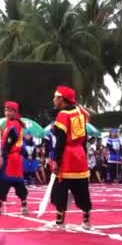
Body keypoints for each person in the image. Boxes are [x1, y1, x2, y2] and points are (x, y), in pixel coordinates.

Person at [49, 86, 92, 229]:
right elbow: (84, 137)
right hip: (80, 154)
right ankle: (86, 220)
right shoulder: (80, 113)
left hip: (67, 156)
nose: (54, 100)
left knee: (60, 189)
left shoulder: (63, 115)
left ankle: (60, 222)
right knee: (81, 188)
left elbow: (61, 140)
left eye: (55, 97)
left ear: (61, 99)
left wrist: (56, 160)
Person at [0, 101, 29, 216]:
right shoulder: (11, 124)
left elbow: (10, 142)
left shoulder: (13, 124)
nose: (7, 113)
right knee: (17, 182)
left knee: (2, 181)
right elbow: (9, 139)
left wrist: (2, 156)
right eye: (6, 110)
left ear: (15, 112)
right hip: (15, 158)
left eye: (10, 110)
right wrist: (2, 132)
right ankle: (24, 205)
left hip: (10, 158)